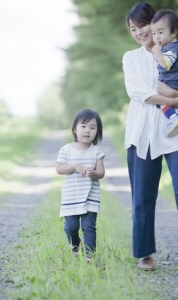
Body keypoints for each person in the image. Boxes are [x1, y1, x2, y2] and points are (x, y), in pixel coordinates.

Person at [122, 2, 178, 271]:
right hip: (141, 133)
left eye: (142, 25)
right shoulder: (131, 58)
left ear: (155, 24)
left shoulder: (174, 51)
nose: (139, 32)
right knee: (142, 197)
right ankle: (144, 253)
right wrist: (175, 100)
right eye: (133, 29)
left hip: (174, 132)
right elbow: (138, 92)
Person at [56, 109, 105, 262]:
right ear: (75, 129)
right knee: (71, 227)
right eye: (83, 126)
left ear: (97, 132)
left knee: (89, 227)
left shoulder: (97, 151)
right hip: (71, 196)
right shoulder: (66, 149)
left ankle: (90, 256)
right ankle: (75, 244)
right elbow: (59, 169)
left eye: (92, 127)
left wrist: (93, 173)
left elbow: (101, 173)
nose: (87, 131)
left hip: (90, 196)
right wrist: (75, 166)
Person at [151, 9, 178, 137]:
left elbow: (166, 64)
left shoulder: (173, 48)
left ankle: (173, 117)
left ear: (173, 32)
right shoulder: (168, 47)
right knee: (162, 103)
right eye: (154, 33)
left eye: (160, 32)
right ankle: (173, 117)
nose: (156, 37)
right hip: (170, 83)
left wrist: (157, 52)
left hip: (172, 83)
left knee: (162, 101)